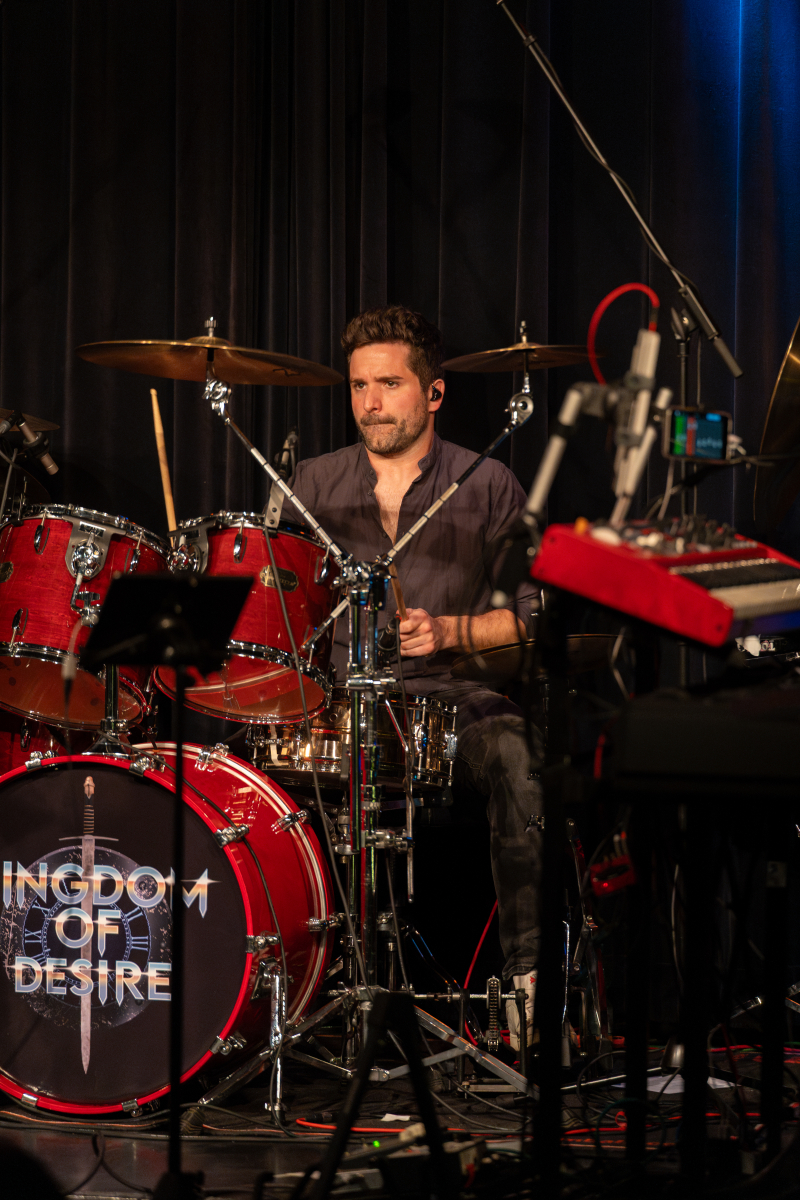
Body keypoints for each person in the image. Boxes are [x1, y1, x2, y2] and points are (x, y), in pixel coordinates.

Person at [285, 306, 542, 1048]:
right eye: (359, 386)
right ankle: (277, 999)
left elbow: (533, 619)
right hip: (338, 707)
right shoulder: (312, 483)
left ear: (432, 392)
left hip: (452, 705)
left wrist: (452, 631)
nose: (370, 402)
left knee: (522, 756)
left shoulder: (487, 481)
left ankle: (530, 992)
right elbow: (277, 610)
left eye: (389, 384)